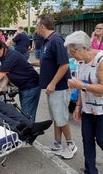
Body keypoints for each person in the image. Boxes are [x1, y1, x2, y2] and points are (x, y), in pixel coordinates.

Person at [35, 13, 77, 159]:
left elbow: (64, 65)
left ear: (42, 26)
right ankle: (57, 144)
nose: (35, 28)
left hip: (59, 88)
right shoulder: (47, 41)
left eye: (36, 25)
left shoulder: (56, 40)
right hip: (52, 89)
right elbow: (47, 62)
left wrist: (52, 83)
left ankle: (71, 144)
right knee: (57, 117)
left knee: (62, 118)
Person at [65, 31, 103, 174]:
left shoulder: (100, 60)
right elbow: (82, 85)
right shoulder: (80, 62)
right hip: (88, 108)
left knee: (101, 139)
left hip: (101, 110)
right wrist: (78, 106)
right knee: (87, 139)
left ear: (84, 48)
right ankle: (90, 170)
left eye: (73, 51)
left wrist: (81, 86)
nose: (71, 54)